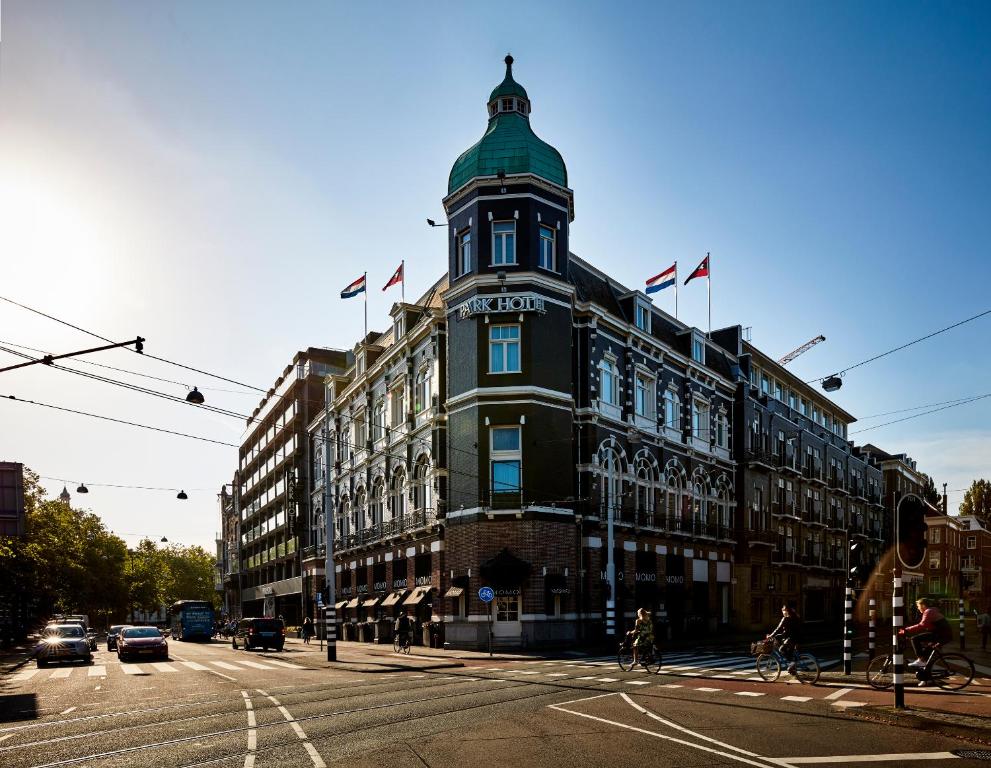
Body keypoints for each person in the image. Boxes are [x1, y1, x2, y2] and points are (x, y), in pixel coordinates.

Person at [899, 597, 953, 669]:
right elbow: (928, 625)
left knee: (914, 639)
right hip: (942, 634)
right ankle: (924, 665)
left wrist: (906, 630)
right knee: (928, 648)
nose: (918, 608)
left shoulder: (929, 611)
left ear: (923, 605)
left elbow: (922, 625)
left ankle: (921, 660)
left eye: (918, 606)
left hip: (941, 634)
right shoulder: (932, 611)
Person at [768, 603, 803, 674]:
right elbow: (790, 629)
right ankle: (793, 670)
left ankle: (792, 664)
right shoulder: (796, 616)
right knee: (790, 652)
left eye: (783, 611)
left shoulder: (785, 618)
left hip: (791, 638)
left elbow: (778, 628)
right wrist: (779, 635)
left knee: (781, 649)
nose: (783, 612)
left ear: (786, 611)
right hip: (798, 637)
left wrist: (771, 635)